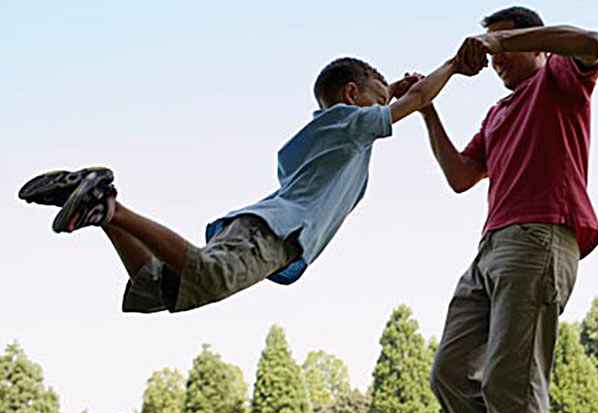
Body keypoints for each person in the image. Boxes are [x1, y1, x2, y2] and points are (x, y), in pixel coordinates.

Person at [19, 54, 481, 313]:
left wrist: (391, 88)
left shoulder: (334, 127)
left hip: (266, 227)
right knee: (211, 275)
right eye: (380, 96)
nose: (388, 103)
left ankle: (101, 208)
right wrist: (453, 67)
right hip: (278, 233)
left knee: (155, 290)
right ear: (351, 96)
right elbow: (419, 98)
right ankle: (110, 208)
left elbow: (396, 97)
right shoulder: (348, 123)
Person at [423, 6, 598, 413]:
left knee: (512, 384)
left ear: (537, 43)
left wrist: (499, 41)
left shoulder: (559, 78)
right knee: (449, 372)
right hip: (490, 247)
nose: (496, 60)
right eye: (494, 49)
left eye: (506, 46)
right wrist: (428, 112)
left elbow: (592, 43)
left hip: (539, 237)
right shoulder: (497, 112)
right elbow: (461, 176)